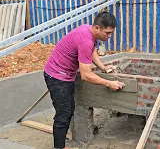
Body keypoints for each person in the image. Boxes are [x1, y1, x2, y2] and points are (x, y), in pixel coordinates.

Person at [43, 11, 125, 149]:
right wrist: (109, 83)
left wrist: (103, 68)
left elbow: (91, 51)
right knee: (63, 114)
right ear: (97, 28)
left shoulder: (88, 31)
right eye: (107, 33)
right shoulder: (85, 40)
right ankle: (59, 147)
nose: (109, 36)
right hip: (57, 77)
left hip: (64, 74)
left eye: (111, 33)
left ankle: (61, 141)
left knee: (69, 109)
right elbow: (86, 75)